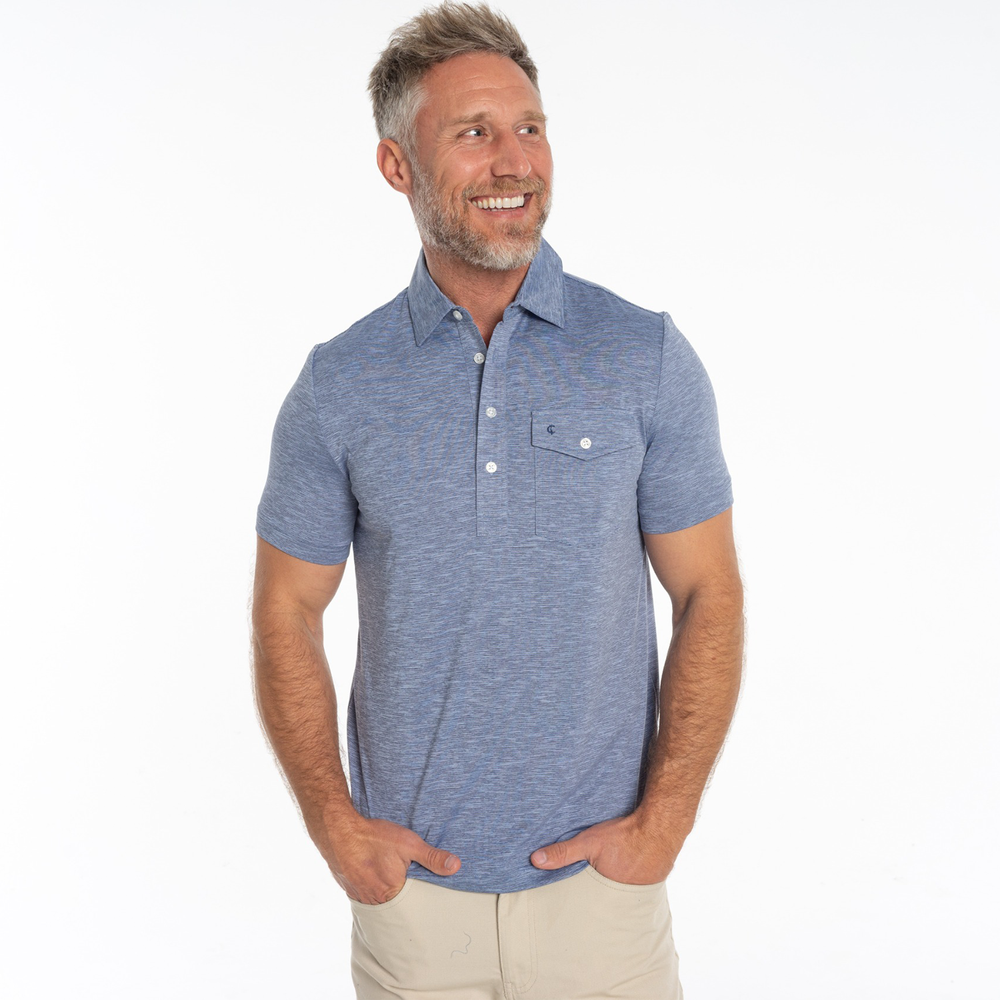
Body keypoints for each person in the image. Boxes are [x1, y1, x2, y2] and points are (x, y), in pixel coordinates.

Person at [251, 4, 744, 997]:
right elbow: (285, 609)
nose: (514, 161)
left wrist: (664, 824)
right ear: (397, 166)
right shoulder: (339, 384)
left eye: (529, 128)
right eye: (473, 133)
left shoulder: (642, 355)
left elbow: (710, 594)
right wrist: (337, 828)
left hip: (601, 899)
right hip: (413, 904)